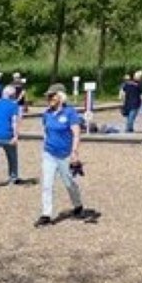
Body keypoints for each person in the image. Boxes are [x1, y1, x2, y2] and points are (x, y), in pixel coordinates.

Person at [35, 83, 84, 228]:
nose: (49, 98)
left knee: (69, 183)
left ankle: (78, 204)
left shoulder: (70, 113)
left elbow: (76, 133)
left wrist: (75, 152)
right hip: (49, 153)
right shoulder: (47, 114)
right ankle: (46, 214)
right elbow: (46, 131)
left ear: (60, 96)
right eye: (48, 96)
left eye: (52, 96)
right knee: (47, 184)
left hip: (65, 154)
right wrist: (45, 145)